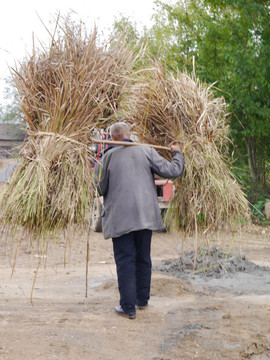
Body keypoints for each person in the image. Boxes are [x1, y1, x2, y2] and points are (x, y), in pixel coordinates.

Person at [94, 122, 184, 319]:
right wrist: (177, 153)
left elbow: (97, 188)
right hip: (145, 216)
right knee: (143, 258)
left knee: (125, 260)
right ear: (128, 135)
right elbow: (173, 171)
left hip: (121, 218)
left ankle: (128, 307)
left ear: (112, 138)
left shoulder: (107, 158)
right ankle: (142, 300)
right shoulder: (147, 150)